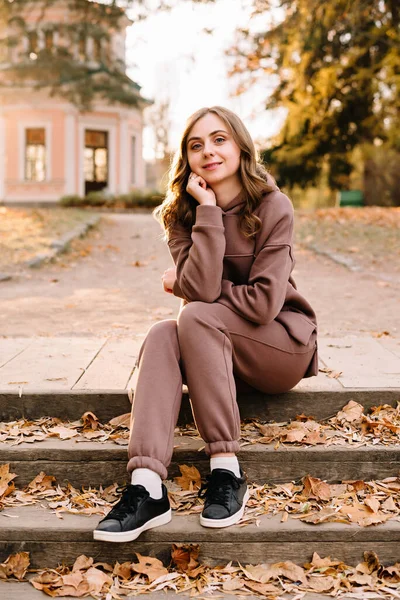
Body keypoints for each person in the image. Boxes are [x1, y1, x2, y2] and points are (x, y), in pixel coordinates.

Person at [93, 106, 318, 543]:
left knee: (193, 313)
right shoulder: (183, 215)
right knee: (163, 332)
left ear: (239, 145)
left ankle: (226, 469)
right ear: (187, 159)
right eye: (196, 145)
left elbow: (262, 303)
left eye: (219, 139)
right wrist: (209, 212)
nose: (208, 151)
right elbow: (198, 290)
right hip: (214, 349)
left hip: (280, 346)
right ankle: (147, 485)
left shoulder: (274, 206)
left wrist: (187, 287)